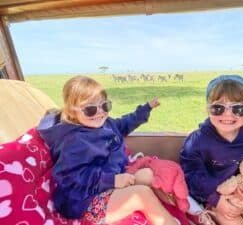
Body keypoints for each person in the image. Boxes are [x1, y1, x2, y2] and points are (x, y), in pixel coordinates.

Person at [37, 75, 179, 225]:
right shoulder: (74, 142)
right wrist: (112, 180)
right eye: (90, 109)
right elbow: (72, 178)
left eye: (105, 106)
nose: (100, 112)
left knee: (150, 175)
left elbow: (124, 124)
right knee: (141, 195)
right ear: (72, 111)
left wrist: (146, 108)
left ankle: (187, 210)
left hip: (110, 182)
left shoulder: (105, 124)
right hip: (86, 201)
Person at [180, 75, 243, 225]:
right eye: (218, 108)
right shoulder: (196, 141)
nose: (228, 114)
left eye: (238, 108)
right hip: (212, 196)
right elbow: (192, 176)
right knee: (233, 222)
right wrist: (216, 199)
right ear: (207, 109)